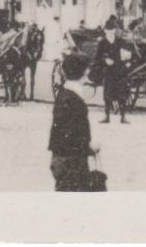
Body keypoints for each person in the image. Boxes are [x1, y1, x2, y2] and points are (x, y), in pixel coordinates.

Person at [47, 53, 99, 190]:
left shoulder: (64, 94)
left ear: (63, 71)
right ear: (86, 72)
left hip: (62, 158)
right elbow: (72, 135)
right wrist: (89, 146)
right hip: (72, 161)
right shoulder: (73, 99)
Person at [92, 17, 131, 124]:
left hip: (120, 71)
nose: (110, 32)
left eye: (112, 29)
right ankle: (107, 116)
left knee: (122, 93)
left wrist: (128, 62)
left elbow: (127, 54)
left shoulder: (120, 41)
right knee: (108, 94)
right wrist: (105, 60)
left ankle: (123, 117)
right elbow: (97, 58)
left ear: (115, 30)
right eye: (108, 30)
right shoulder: (102, 43)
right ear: (105, 31)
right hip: (108, 72)